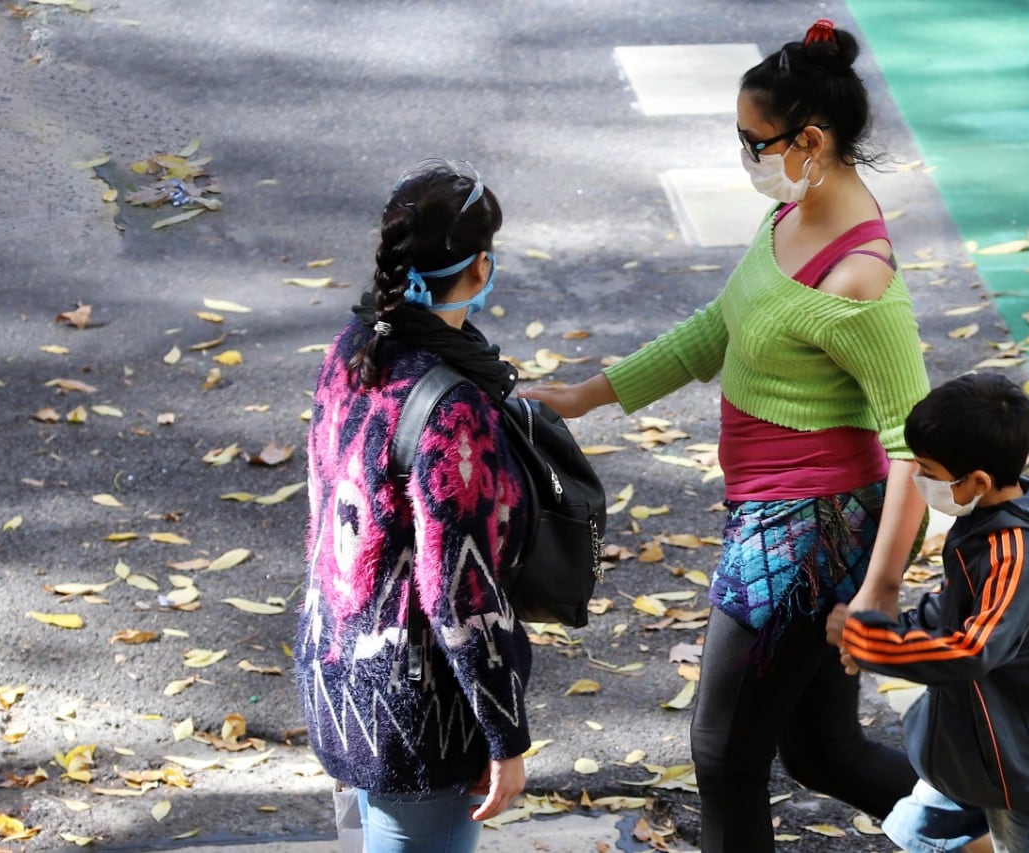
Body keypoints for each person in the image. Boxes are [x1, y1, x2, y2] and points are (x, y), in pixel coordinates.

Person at [521, 19, 930, 851]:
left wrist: (877, 591)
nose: (745, 156)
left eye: (755, 141)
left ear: (810, 139)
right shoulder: (797, 205)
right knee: (823, 748)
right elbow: (722, 326)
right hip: (767, 514)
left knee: (724, 755)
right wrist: (585, 396)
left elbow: (912, 450)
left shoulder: (861, 282)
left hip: (804, 534)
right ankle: (985, 831)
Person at [296, 158, 531, 853]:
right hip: (415, 711)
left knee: (374, 833)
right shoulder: (450, 405)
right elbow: (456, 588)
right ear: (481, 269)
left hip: (336, 665)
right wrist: (504, 733)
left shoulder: (353, 346)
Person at [833, 372, 1029, 853]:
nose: (918, 480)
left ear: (977, 481)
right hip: (976, 747)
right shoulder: (982, 523)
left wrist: (871, 641)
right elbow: (950, 610)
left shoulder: (1015, 549)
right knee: (914, 832)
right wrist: (888, 630)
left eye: (928, 471)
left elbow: (971, 648)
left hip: (1028, 762)